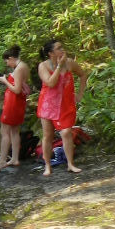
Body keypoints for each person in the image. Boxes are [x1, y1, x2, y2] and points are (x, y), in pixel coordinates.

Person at [36, 39, 87, 176]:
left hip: (66, 104)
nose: (62, 50)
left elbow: (82, 75)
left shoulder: (70, 63)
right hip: (48, 105)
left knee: (66, 133)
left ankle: (70, 164)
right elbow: (51, 83)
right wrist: (59, 67)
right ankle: (47, 166)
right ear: (51, 53)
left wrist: (80, 94)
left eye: (62, 47)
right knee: (48, 135)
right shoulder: (43, 66)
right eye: (59, 48)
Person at [0, 45, 31, 171]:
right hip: (18, 102)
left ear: (11, 58)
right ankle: (14, 158)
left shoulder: (19, 68)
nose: (7, 64)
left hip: (13, 103)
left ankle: (2, 160)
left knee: (5, 131)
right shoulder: (23, 66)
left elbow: (17, 89)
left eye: (7, 61)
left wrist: (5, 81)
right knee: (14, 130)